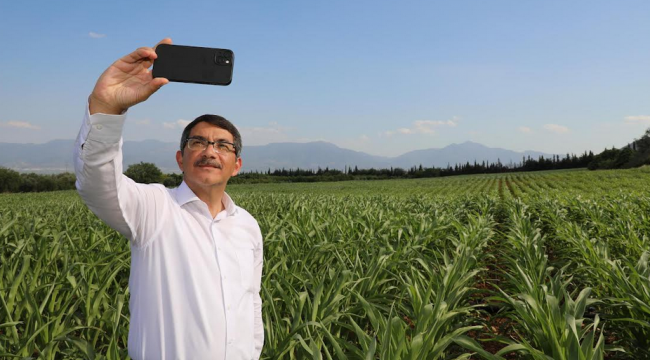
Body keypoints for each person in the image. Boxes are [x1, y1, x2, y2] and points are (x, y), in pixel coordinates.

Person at [73, 38, 264, 360]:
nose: (209, 151)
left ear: (237, 165)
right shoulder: (154, 207)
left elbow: (251, 303)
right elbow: (96, 180)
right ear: (180, 158)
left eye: (222, 145)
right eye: (197, 142)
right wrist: (108, 107)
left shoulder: (247, 225)